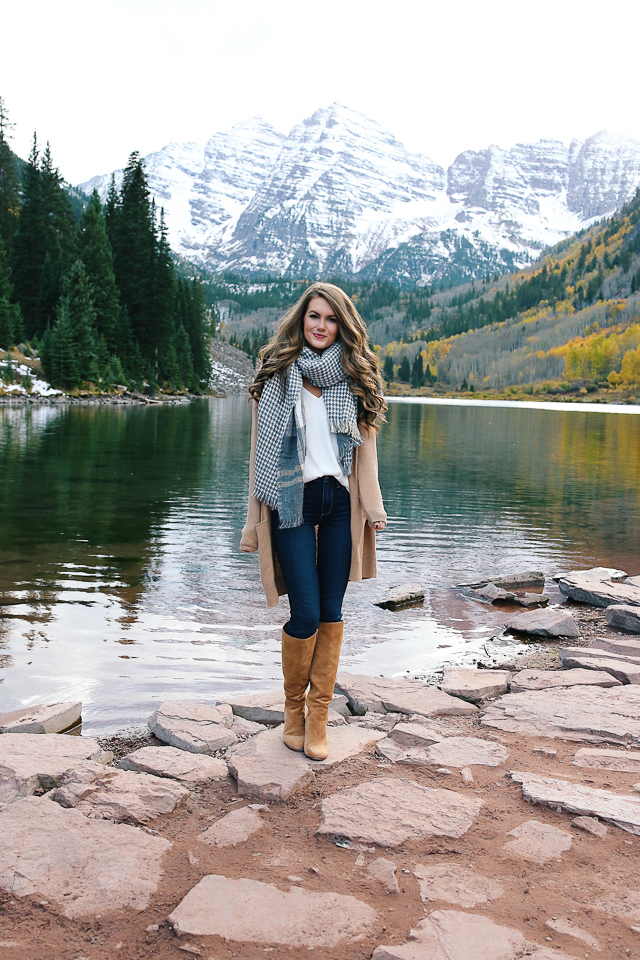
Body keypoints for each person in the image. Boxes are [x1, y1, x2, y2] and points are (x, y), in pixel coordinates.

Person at [241, 281, 387, 761]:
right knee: (303, 612)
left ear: (342, 326)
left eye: (330, 319)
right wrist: (249, 523)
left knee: (331, 611)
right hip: (290, 499)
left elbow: (366, 455)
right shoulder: (277, 374)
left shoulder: (355, 376)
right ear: (300, 322)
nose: (321, 326)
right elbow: (256, 457)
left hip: (340, 501)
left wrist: (375, 506)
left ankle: (319, 716)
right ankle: (293, 711)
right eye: (314, 317)